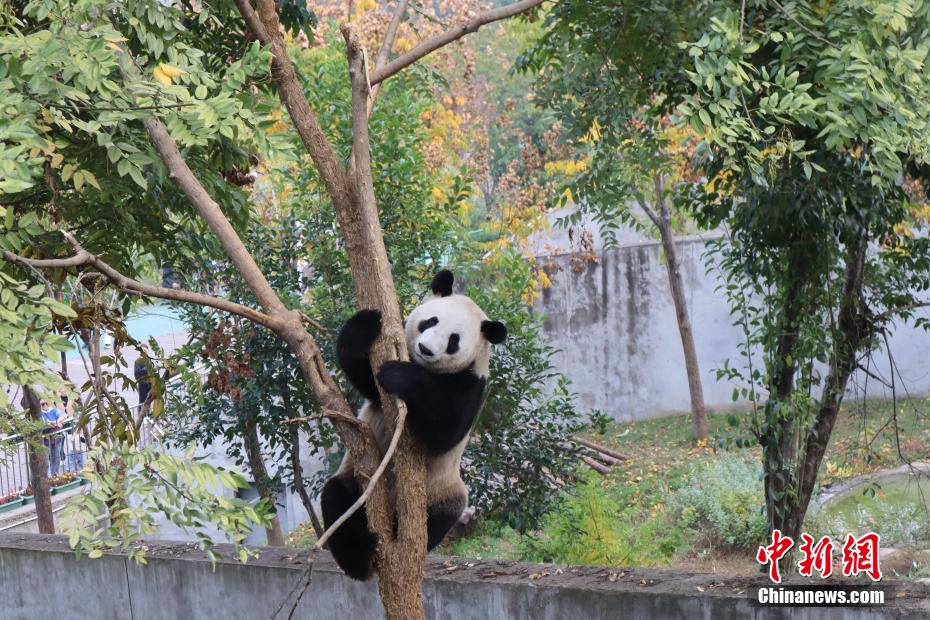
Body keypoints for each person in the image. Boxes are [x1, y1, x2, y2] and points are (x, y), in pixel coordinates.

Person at [40, 400, 64, 477]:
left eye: (47, 403)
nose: (45, 405)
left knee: (56, 458)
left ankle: (55, 476)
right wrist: (57, 423)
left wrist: (57, 421)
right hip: (45, 440)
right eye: (43, 404)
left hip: (56, 438)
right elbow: (45, 423)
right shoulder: (40, 413)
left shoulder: (53, 410)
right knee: (46, 460)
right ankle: (45, 478)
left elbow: (63, 415)